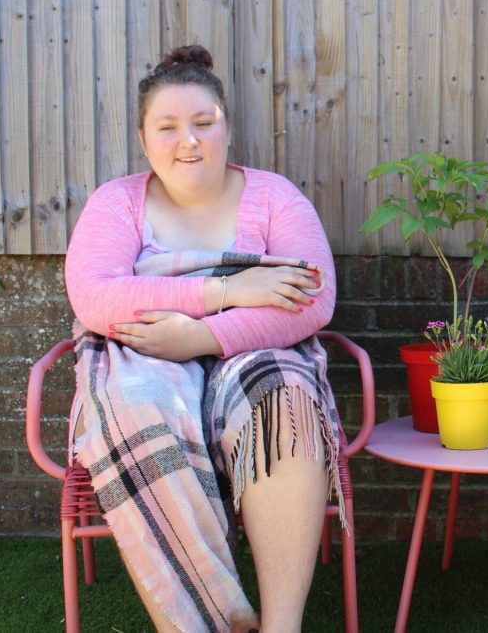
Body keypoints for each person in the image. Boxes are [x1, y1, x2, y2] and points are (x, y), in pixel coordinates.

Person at [64, 45, 339, 633]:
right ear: (144, 140)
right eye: (168, 127)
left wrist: (204, 338)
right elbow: (94, 296)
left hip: (256, 351)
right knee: (140, 409)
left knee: (284, 398)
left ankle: (281, 627)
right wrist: (225, 292)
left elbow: (311, 296)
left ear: (227, 128)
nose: (187, 140)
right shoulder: (117, 204)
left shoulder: (274, 197)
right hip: (147, 358)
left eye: (202, 123)